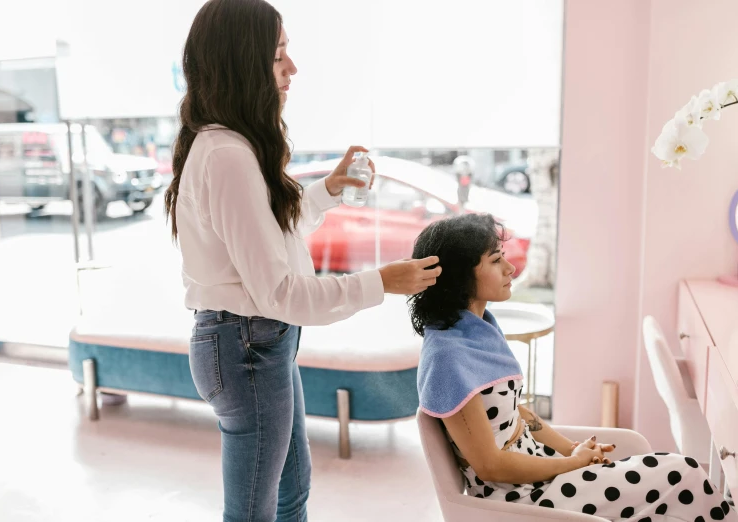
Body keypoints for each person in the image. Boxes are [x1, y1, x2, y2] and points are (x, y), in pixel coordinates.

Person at [162, 1, 441, 520]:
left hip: (257, 340)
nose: (292, 69)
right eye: (278, 56)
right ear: (242, 64)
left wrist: (330, 189)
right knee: (255, 509)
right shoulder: (227, 155)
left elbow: (270, 238)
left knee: (291, 489)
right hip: (247, 344)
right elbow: (282, 292)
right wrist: (380, 282)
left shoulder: (233, 146)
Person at [410, 213, 732, 521]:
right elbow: (491, 467)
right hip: (519, 498)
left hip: (539, 472)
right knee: (681, 473)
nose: (510, 268)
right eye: (495, 261)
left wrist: (572, 449)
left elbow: (513, 412)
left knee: (677, 472)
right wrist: (570, 464)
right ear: (458, 277)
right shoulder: (448, 358)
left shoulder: (476, 330)